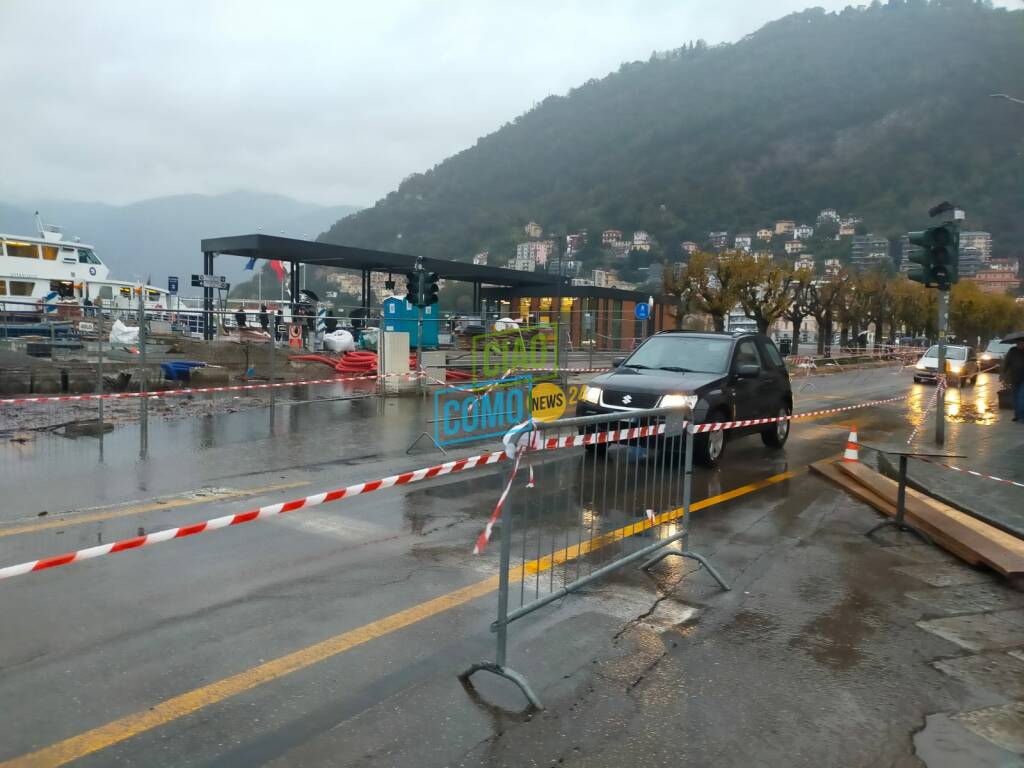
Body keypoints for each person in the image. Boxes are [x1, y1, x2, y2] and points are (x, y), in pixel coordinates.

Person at [1003, 338, 1024, 422]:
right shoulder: (1012, 350)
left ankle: (1021, 416)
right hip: (1014, 377)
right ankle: (1017, 415)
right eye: (1019, 343)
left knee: (1021, 397)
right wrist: (1003, 374)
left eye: (1022, 343)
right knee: (1015, 397)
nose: (1021, 345)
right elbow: (1007, 362)